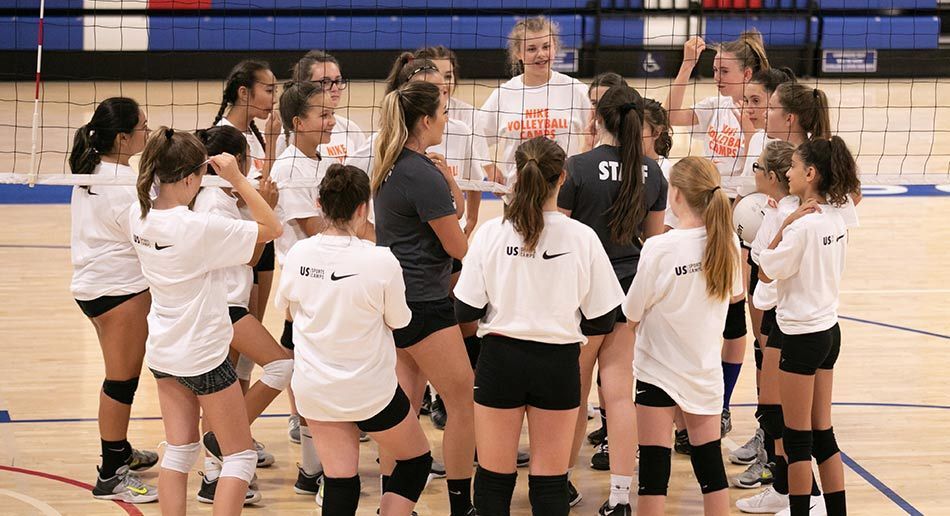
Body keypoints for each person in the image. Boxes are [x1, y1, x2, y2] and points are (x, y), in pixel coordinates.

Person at [456, 136, 623, 516]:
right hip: (558, 364)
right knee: (550, 485)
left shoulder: (492, 233)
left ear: (516, 175)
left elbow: (464, 308)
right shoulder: (582, 236)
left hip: (500, 360)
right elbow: (604, 317)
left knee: (493, 481)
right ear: (562, 177)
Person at [129, 128, 281, 514]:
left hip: (164, 353)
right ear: (190, 178)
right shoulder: (196, 227)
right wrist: (237, 179)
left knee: (179, 451)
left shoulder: (139, 214)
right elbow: (272, 228)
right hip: (203, 355)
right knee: (239, 457)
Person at [275, 163, 432, 516]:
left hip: (316, 388)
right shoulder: (381, 259)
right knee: (416, 461)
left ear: (319, 203)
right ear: (364, 208)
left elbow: (285, 312)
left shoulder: (298, 254)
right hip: (368, 389)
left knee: (341, 481)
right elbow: (400, 321)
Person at [558, 84, 667, 516]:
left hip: (585, 299)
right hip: (628, 293)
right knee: (620, 397)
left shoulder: (577, 168)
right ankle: (621, 497)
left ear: (597, 119)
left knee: (576, 396)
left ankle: (559, 482)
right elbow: (656, 244)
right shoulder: (653, 172)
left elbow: (559, 235)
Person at [372, 80, 476, 516]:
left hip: (398, 301)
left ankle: (393, 503)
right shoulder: (419, 173)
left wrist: (449, 180)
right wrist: (445, 187)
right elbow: (458, 247)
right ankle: (460, 506)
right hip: (425, 304)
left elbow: (444, 214)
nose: (447, 121)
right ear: (426, 120)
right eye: (444, 114)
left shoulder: (393, 163)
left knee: (406, 407)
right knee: (463, 401)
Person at [624, 156, 743, 516]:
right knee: (712, 473)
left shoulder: (660, 247)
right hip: (703, 374)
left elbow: (631, 313)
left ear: (674, 195)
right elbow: (735, 298)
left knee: (653, 478)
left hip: (657, 373)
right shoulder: (728, 243)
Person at [758, 137, 860, 516]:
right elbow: (852, 198)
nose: (788, 172)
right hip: (830, 332)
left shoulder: (801, 228)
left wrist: (784, 223)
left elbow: (766, 271)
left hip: (800, 337)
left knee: (797, 439)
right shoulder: (837, 215)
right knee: (823, 433)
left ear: (811, 174)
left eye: (795, 167)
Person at [192, 125, 293, 503]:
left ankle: (213, 478)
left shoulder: (208, 197)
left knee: (224, 384)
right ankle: (227, 438)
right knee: (282, 367)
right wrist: (258, 201)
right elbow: (253, 251)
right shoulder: (216, 204)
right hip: (225, 309)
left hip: (218, 304)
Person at [69, 96, 158, 503]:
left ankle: (119, 450)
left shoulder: (95, 170)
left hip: (94, 286)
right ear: (123, 137)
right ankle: (111, 474)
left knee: (122, 379)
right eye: (143, 125)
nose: (148, 129)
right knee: (121, 383)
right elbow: (150, 237)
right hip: (119, 292)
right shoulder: (121, 185)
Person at [475, 16, 591, 192]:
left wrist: (584, 160)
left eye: (546, 46)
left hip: (565, 196)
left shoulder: (576, 89)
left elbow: (599, 132)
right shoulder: (504, 94)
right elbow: (474, 134)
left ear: (555, 47)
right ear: (518, 53)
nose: (541, 54)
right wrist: (489, 167)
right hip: (518, 196)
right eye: (531, 49)